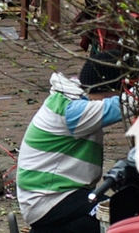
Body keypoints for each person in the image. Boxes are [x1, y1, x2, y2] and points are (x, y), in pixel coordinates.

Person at [15, 55, 128, 233]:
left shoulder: (73, 97)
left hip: (55, 195)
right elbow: (123, 105)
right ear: (109, 91)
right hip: (49, 198)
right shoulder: (73, 112)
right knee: (119, 219)